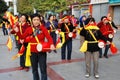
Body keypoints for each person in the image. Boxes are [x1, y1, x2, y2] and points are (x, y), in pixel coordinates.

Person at [13, 13, 55, 80]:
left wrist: (52, 44)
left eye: (37, 20)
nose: (36, 21)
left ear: (40, 20)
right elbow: (22, 37)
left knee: (43, 69)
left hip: (42, 51)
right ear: (32, 21)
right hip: (32, 52)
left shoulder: (43, 29)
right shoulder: (29, 29)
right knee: (34, 70)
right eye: (34, 20)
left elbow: (49, 38)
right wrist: (17, 32)